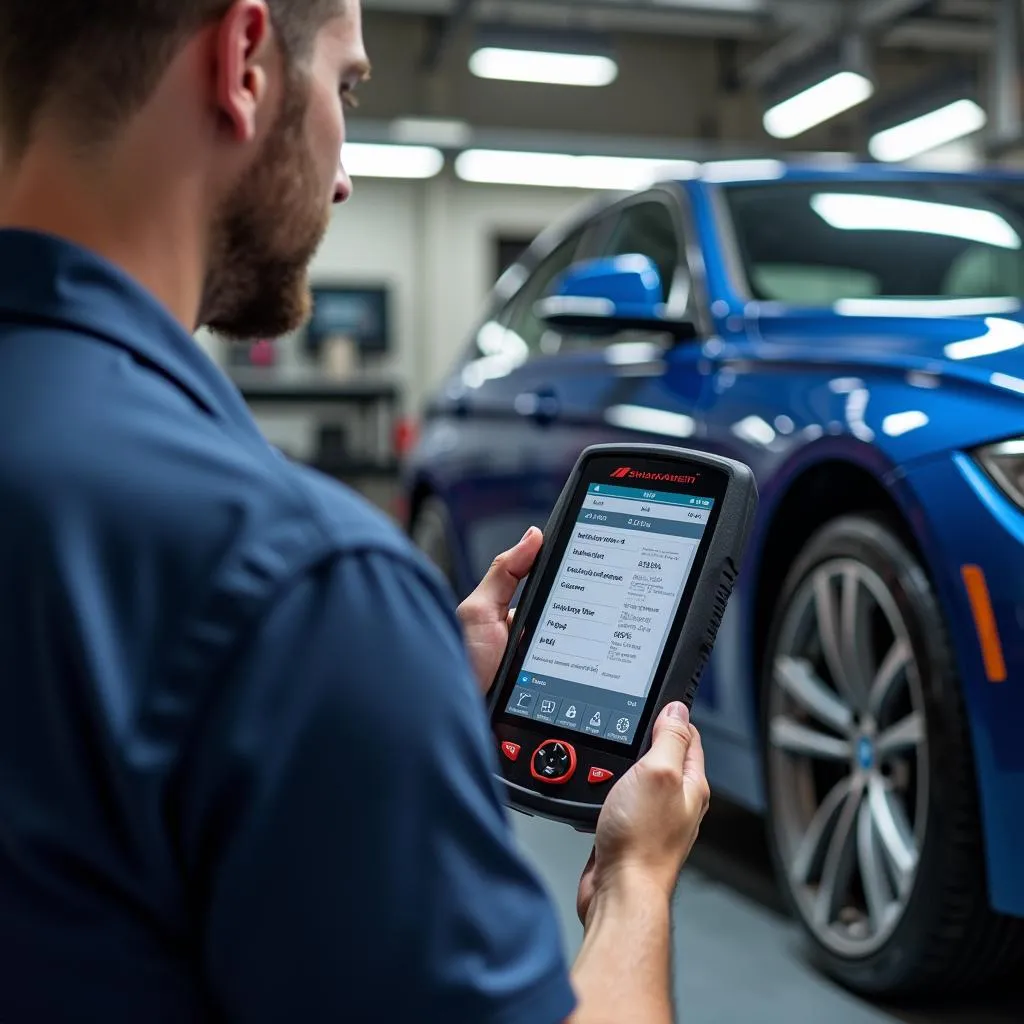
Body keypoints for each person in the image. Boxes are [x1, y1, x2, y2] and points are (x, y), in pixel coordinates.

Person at [0, 1, 711, 1021]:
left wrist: (384, 703)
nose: (343, 174)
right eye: (346, 86)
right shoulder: (293, 579)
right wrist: (636, 881)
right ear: (244, 62)